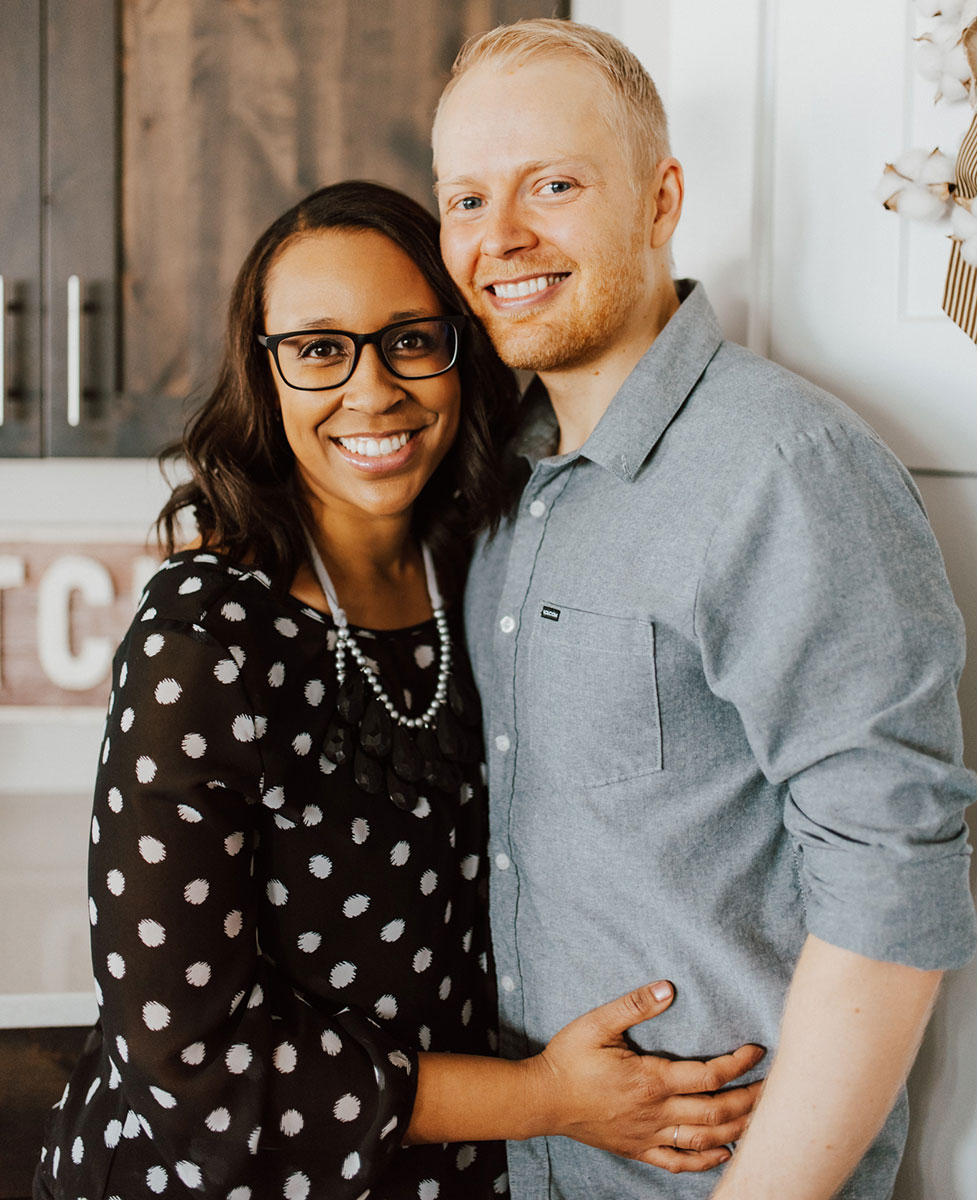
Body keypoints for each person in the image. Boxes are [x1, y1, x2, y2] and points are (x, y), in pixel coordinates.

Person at [34, 181, 765, 1200]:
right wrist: (552, 1098)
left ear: (461, 348)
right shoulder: (204, 636)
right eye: (320, 348)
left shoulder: (484, 571)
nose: (372, 390)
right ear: (265, 371)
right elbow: (187, 1059)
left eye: (410, 339)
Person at [432, 18, 977, 1200]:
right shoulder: (503, 490)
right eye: (464, 200)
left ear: (660, 197)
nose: (500, 238)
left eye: (553, 186)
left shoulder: (783, 467)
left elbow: (893, 878)